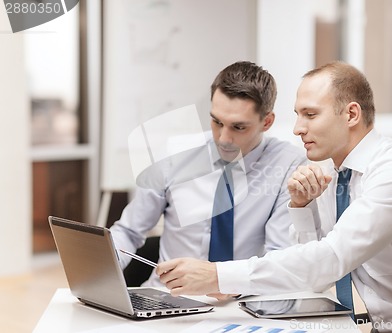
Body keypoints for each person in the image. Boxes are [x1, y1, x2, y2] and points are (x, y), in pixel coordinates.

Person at [155, 61, 392, 331]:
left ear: (351, 115)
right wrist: (301, 208)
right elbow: (320, 276)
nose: (297, 128)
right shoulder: (334, 175)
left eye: (310, 114)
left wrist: (217, 275)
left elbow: (331, 259)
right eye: (297, 115)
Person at [110, 61, 307, 289]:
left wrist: (224, 281)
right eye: (217, 122)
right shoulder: (174, 154)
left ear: (267, 122)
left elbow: (279, 258)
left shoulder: (288, 166)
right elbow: (129, 231)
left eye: (238, 127)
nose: (223, 138)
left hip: (243, 303)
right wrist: (99, 271)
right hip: (166, 298)